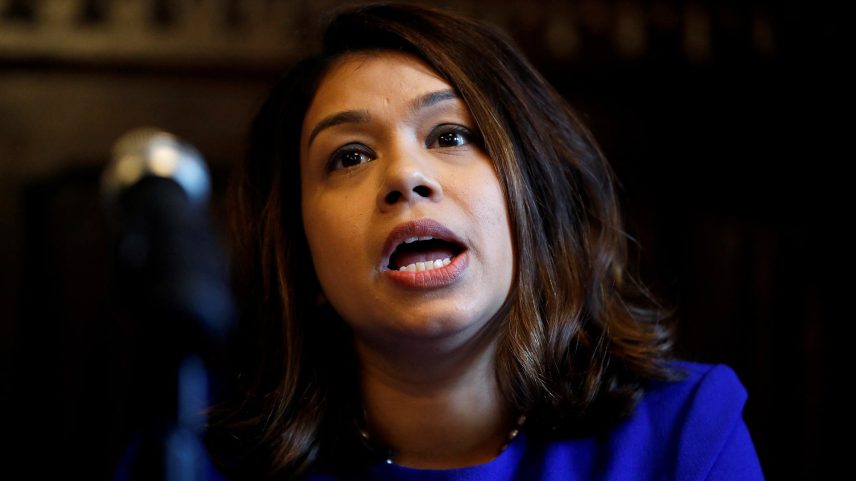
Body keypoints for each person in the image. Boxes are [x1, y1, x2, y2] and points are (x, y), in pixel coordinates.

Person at [208, 3, 765, 480]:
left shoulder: (684, 434)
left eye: (450, 136)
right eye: (350, 156)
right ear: (298, 250)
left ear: (536, 201)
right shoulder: (195, 461)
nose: (405, 176)